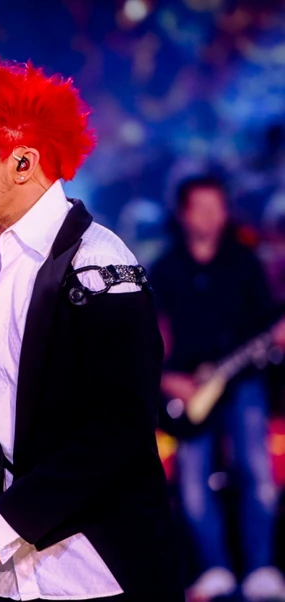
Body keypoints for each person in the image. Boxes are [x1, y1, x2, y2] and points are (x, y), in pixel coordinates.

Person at [0, 57, 183, 601]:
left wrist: (5, 524)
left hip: (95, 569)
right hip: (8, 577)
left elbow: (120, 427)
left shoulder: (99, 264)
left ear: (23, 163)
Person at [152, 175, 285, 602]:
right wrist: (166, 377)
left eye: (218, 207)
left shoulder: (244, 263)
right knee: (193, 481)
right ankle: (214, 569)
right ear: (183, 214)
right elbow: (150, 337)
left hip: (244, 381)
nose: (213, 216)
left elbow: (268, 324)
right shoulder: (165, 269)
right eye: (202, 207)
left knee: (256, 471)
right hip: (188, 390)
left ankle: (262, 567)